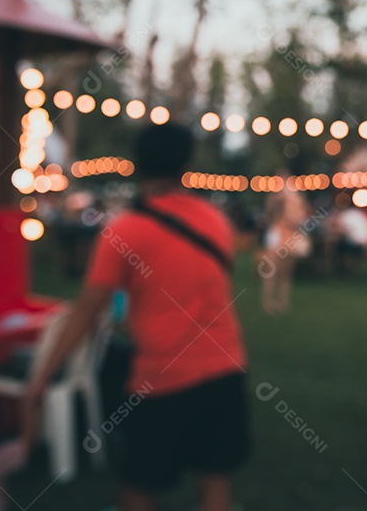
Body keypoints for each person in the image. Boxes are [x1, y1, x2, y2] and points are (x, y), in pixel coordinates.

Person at [23, 123, 250, 511]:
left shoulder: (123, 231)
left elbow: (85, 314)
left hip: (162, 380)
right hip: (225, 368)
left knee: (137, 489)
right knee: (215, 484)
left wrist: (41, 378)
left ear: (137, 164)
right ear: (187, 164)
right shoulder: (215, 221)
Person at [260, 169, 311, 313]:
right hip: (277, 233)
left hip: (290, 234)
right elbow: (270, 212)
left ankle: (283, 301)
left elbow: (300, 216)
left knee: (286, 270)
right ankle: (268, 301)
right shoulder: (276, 197)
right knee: (272, 268)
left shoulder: (296, 198)